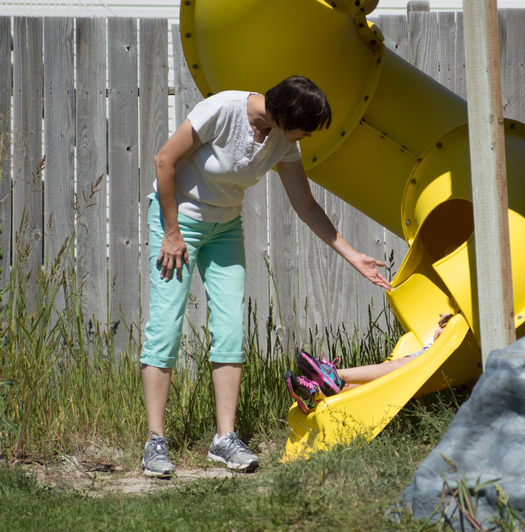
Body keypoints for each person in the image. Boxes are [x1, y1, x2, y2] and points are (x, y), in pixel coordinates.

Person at [139, 76, 392, 478]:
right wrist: (171, 232)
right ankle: (155, 442)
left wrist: (353, 256)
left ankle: (224, 439)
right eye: (306, 127)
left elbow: (305, 205)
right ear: (288, 115)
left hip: (224, 226)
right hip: (177, 221)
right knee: (166, 326)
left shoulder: (283, 141)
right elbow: (164, 160)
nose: (308, 136)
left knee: (230, 329)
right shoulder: (223, 109)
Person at [284, 313, 454, 413]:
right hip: (437, 350)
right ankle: (316, 393)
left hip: (441, 355)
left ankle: (334, 377)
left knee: (400, 368)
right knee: (382, 381)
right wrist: (452, 321)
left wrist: (453, 325)